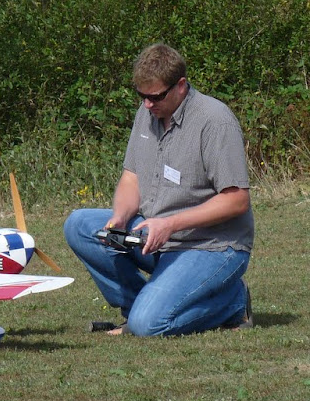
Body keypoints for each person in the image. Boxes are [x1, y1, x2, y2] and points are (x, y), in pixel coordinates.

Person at [63, 43, 254, 336]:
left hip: (211, 246)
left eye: (155, 97)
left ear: (181, 85)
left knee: (150, 325)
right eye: (141, 97)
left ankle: (232, 302)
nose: (147, 105)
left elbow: (237, 201)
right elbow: (131, 177)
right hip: (156, 236)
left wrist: (170, 224)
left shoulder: (215, 121)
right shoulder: (148, 112)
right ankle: (136, 308)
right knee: (79, 225)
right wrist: (120, 218)